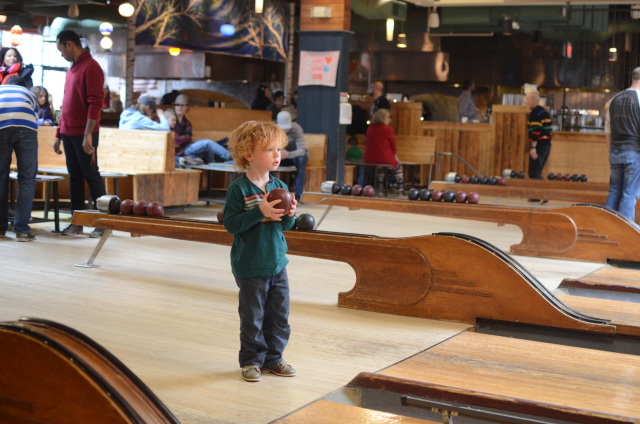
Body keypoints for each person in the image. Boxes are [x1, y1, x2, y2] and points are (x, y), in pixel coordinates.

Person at [223, 120, 298, 383]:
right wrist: (259, 211)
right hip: (251, 266)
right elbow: (231, 225)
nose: (277, 155)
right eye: (269, 150)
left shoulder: (279, 186)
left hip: (277, 263)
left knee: (279, 316)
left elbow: (285, 226)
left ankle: (274, 359)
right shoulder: (239, 189)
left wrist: (290, 214)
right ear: (248, 154)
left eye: (279, 149)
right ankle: (251, 360)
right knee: (253, 317)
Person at [54, 29, 107, 238]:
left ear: (70, 45)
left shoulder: (92, 67)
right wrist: (58, 133)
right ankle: (77, 222)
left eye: (61, 49)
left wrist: (88, 134)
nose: (61, 54)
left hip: (85, 133)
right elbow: (65, 103)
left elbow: (96, 104)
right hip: (68, 132)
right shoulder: (71, 69)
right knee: (74, 178)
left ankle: (103, 223)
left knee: (91, 175)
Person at [0, 76, 38, 241]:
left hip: (1, 127)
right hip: (26, 128)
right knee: (27, 179)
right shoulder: (29, 93)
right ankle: (22, 230)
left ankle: (0, 229)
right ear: (24, 86)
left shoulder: (0, 90)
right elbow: (35, 117)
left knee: (1, 178)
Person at [604, 66, 640, 221]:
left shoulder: (614, 99)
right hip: (634, 152)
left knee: (614, 192)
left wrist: (611, 151)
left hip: (615, 151)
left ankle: (606, 227)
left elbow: (607, 129)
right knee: (629, 194)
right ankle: (624, 232)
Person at [170, 94, 231, 166]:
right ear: (175, 106)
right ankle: (230, 157)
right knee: (207, 143)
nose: (180, 108)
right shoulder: (171, 120)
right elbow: (173, 138)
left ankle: (212, 167)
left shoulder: (187, 123)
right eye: (177, 105)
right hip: (180, 152)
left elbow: (188, 138)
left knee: (208, 148)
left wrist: (180, 140)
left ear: (186, 107)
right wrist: (181, 138)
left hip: (186, 148)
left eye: (182, 105)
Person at [363, 108, 404, 191]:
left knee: (380, 167)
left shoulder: (370, 128)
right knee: (398, 167)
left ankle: (380, 186)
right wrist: (395, 157)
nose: (390, 119)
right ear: (382, 118)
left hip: (370, 157)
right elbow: (393, 145)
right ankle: (400, 188)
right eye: (388, 117)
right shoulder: (388, 129)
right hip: (383, 157)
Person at [276, 111, 308, 202]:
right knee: (268, 161)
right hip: (280, 156)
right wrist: (278, 152)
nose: (286, 130)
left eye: (287, 127)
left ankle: (298, 195)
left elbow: (302, 150)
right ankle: (270, 192)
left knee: (301, 159)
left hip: (295, 157)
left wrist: (288, 154)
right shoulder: (274, 130)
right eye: (283, 128)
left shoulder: (297, 129)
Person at [524, 91, 552, 180]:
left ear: (533, 100)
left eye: (527, 99)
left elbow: (536, 130)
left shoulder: (535, 113)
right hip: (546, 145)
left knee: (534, 173)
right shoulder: (544, 112)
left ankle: (544, 188)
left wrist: (533, 148)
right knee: (536, 172)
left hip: (539, 145)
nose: (525, 102)